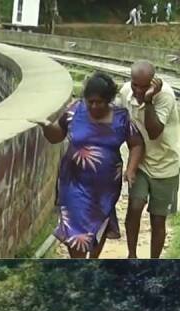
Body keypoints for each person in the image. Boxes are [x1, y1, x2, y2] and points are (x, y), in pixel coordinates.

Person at [32, 72, 144, 258]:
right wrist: (46, 126)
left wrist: (131, 169)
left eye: (99, 102)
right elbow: (56, 136)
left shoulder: (121, 118)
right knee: (73, 224)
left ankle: (93, 259)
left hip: (105, 187)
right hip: (73, 183)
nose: (93, 106)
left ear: (108, 100)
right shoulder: (75, 111)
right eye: (90, 101)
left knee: (99, 223)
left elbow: (137, 144)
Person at [118, 61, 180, 259]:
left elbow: (154, 132)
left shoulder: (165, 97)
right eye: (135, 84)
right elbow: (117, 120)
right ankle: (132, 255)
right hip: (141, 162)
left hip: (165, 165)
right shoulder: (126, 92)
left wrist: (149, 100)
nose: (137, 90)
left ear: (153, 84)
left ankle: (154, 261)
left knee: (158, 219)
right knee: (135, 207)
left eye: (143, 86)